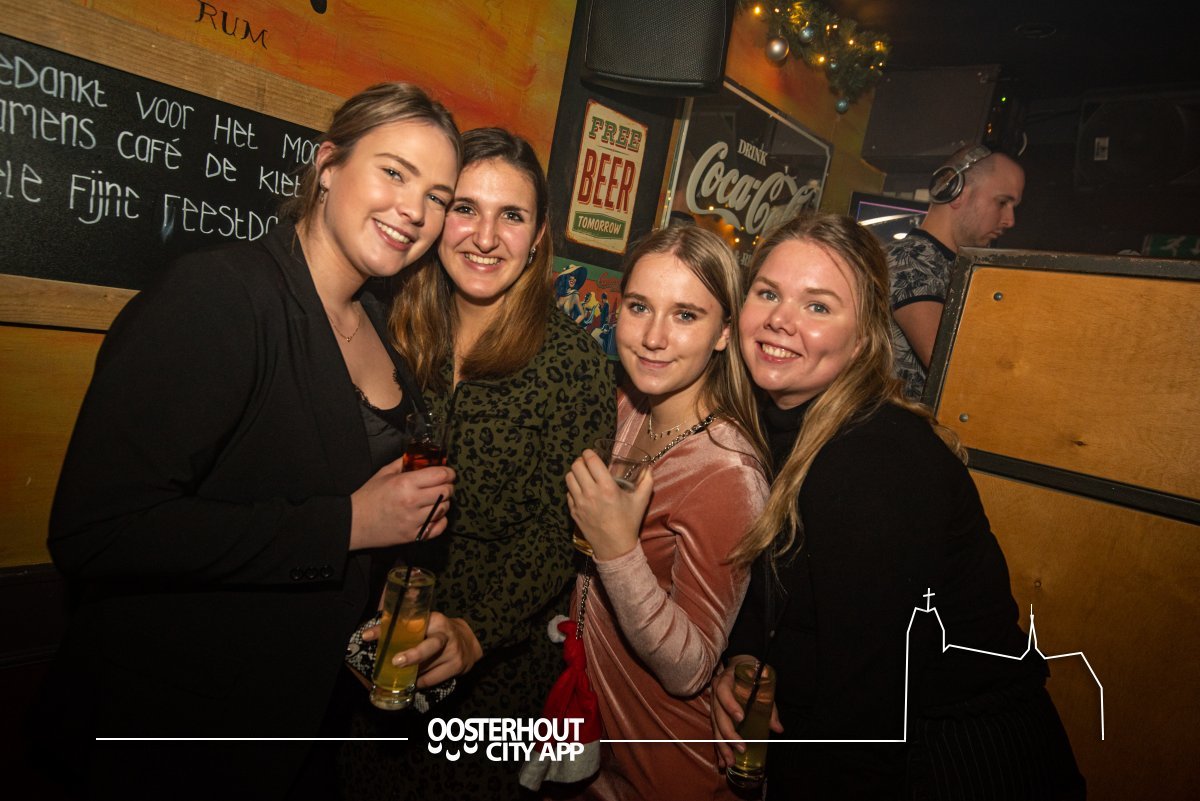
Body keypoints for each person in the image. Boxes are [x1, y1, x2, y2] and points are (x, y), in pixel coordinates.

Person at [35, 83, 461, 798]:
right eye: (394, 171)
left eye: (437, 197)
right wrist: (348, 524)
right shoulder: (221, 294)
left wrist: (397, 623)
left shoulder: (377, 326)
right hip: (172, 738)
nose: (414, 211)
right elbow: (97, 530)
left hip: (296, 730)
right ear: (328, 166)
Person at [712, 212, 1084, 800]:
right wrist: (743, 658)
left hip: (961, 763)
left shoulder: (875, 460)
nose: (780, 319)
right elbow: (779, 590)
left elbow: (865, 712)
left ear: (862, 339)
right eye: (768, 293)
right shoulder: (771, 428)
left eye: (818, 306)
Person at [341, 127, 615, 800]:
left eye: (511, 215)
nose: (485, 237)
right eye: (465, 208)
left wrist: (473, 631)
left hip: (493, 681)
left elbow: (561, 535)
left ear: (538, 235)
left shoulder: (573, 364)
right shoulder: (388, 327)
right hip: (366, 647)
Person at [560, 225, 770, 800]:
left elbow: (692, 668)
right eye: (639, 307)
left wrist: (617, 550)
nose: (653, 337)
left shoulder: (727, 472)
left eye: (685, 315)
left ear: (724, 332)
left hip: (668, 763)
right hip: (596, 738)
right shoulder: (627, 407)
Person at [890, 144, 1024, 400]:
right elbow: (954, 366)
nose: (1010, 220)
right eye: (1002, 202)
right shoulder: (911, 259)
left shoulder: (954, 267)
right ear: (957, 192)